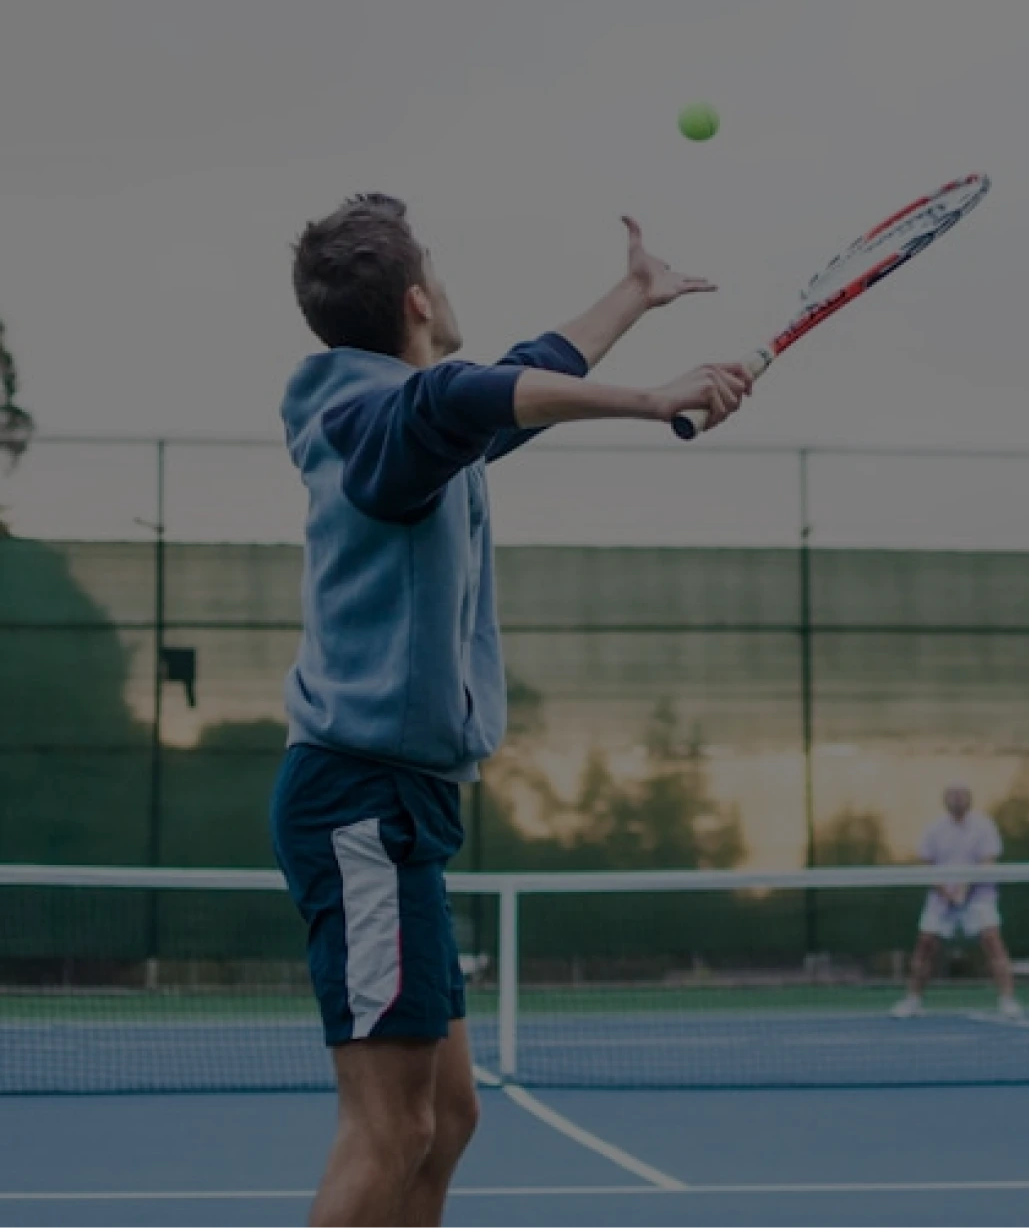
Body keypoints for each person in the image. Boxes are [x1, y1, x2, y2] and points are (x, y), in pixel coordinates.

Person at [271, 195, 750, 1228]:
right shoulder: (378, 424)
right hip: (361, 803)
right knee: (389, 1127)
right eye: (438, 273)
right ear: (416, 300)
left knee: (447, 1115)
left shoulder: (407, 428)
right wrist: (651, 398)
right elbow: (467, 392)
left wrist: (633, 295)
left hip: (399, 805)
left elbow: (515, 378)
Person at [890, 783, 1021, 1020]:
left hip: (979, 896)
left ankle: (1007, 1000)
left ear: (969, 799)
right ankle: (913, 1000)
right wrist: (947, 892)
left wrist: (964, 888)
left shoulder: (984, 826)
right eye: (953, 795)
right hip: (941, 898)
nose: (957, 799)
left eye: (962, 795)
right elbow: (928, 865)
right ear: (945, 800)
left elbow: (987, 861)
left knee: (992, 941)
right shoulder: (934, 828)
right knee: (925, 944)